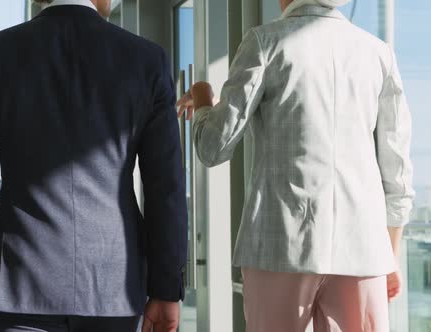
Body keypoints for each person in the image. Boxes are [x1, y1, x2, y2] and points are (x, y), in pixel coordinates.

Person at [0, 0, 188, 331]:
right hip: (114, 289)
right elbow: (165, 187)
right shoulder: (147, 60)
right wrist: (166, 288)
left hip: (16, 284)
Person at [177, 0, 414, 331]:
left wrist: (202, 98)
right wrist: (390, 255)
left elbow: (213, 147)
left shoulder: (265, 41)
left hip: (279, 246)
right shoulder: (378, 53)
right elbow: (397, 172)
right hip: (363, 250)